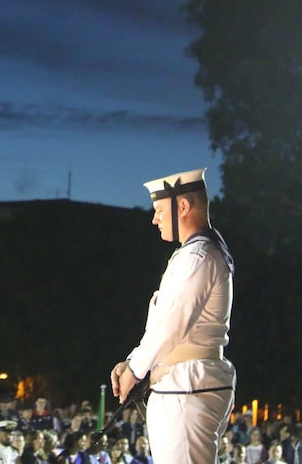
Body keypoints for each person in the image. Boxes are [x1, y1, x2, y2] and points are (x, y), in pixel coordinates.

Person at [110, 168, 236, 464]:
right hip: (186, 382)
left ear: (182, 206)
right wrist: (134, 361)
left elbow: (172, 324)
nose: (154, 218)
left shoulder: (198, 255)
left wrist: (136, 370)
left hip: (186, 385)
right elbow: (167, 321)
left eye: (158, 210)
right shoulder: (197, 251)